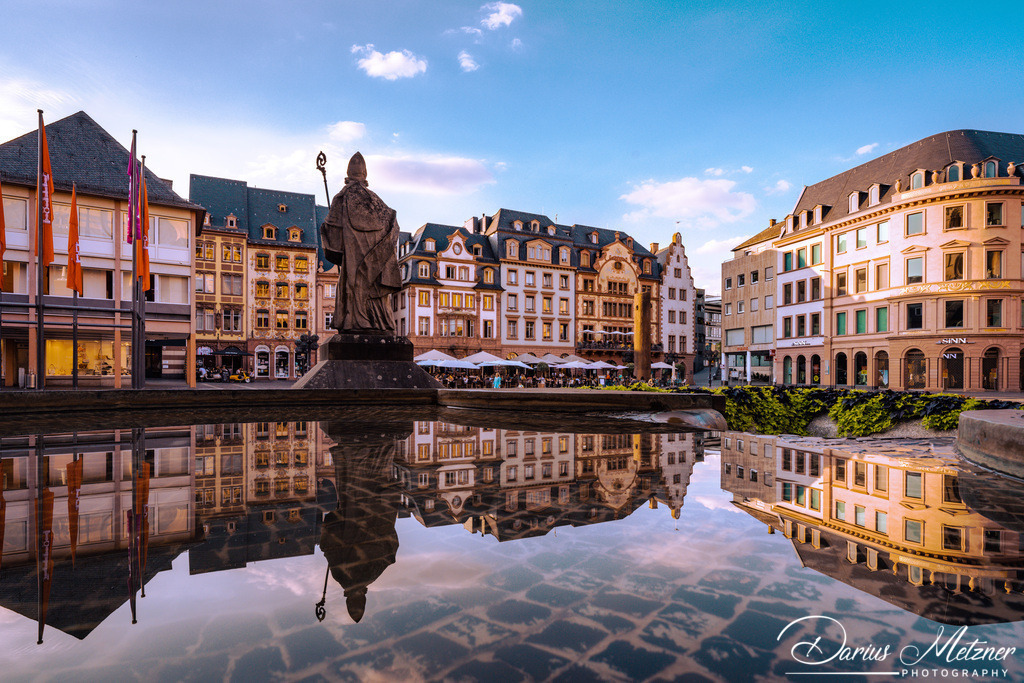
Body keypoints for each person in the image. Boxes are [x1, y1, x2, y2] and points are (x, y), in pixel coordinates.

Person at [320, 152, 402, 333]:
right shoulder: (375, 201)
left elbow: (332, 236)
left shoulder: (342, 198)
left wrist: (326, 229)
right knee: (374, 291)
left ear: (348, 173)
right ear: (364, 174)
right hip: (375, 263)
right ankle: (380, 322)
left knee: (353, 285)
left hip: (353, 262)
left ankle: (354, 321)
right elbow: (393, 223)